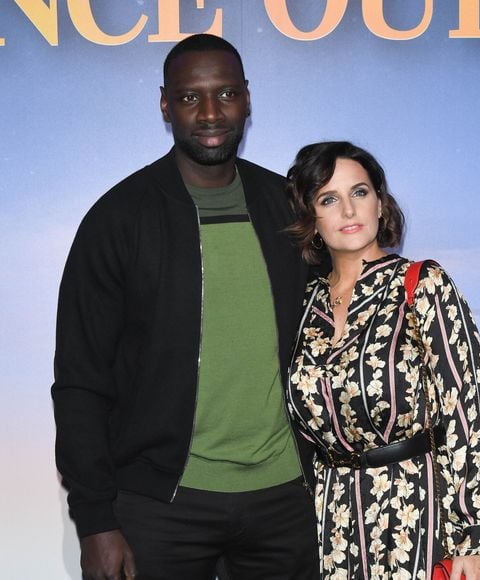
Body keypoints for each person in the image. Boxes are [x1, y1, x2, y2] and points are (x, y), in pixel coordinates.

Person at [51, 34, 318, 580]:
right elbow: (80, 381)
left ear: (247, 98)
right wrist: (96, 521)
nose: (212, 113)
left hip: (286, 501)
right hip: (158, 506)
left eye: (226, 93)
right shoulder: (118, 219)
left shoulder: (289, 210)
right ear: (165, 104)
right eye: (191, 97)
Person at [284, 141, 480, 580]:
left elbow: (467, 414)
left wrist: (475, 539)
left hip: (418, 515)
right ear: (312, 218)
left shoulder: (423, 286)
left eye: (360, 193)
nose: (348, 210)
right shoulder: (300, 304)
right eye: (329, 198)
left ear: (381, 205)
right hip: (330, 527)